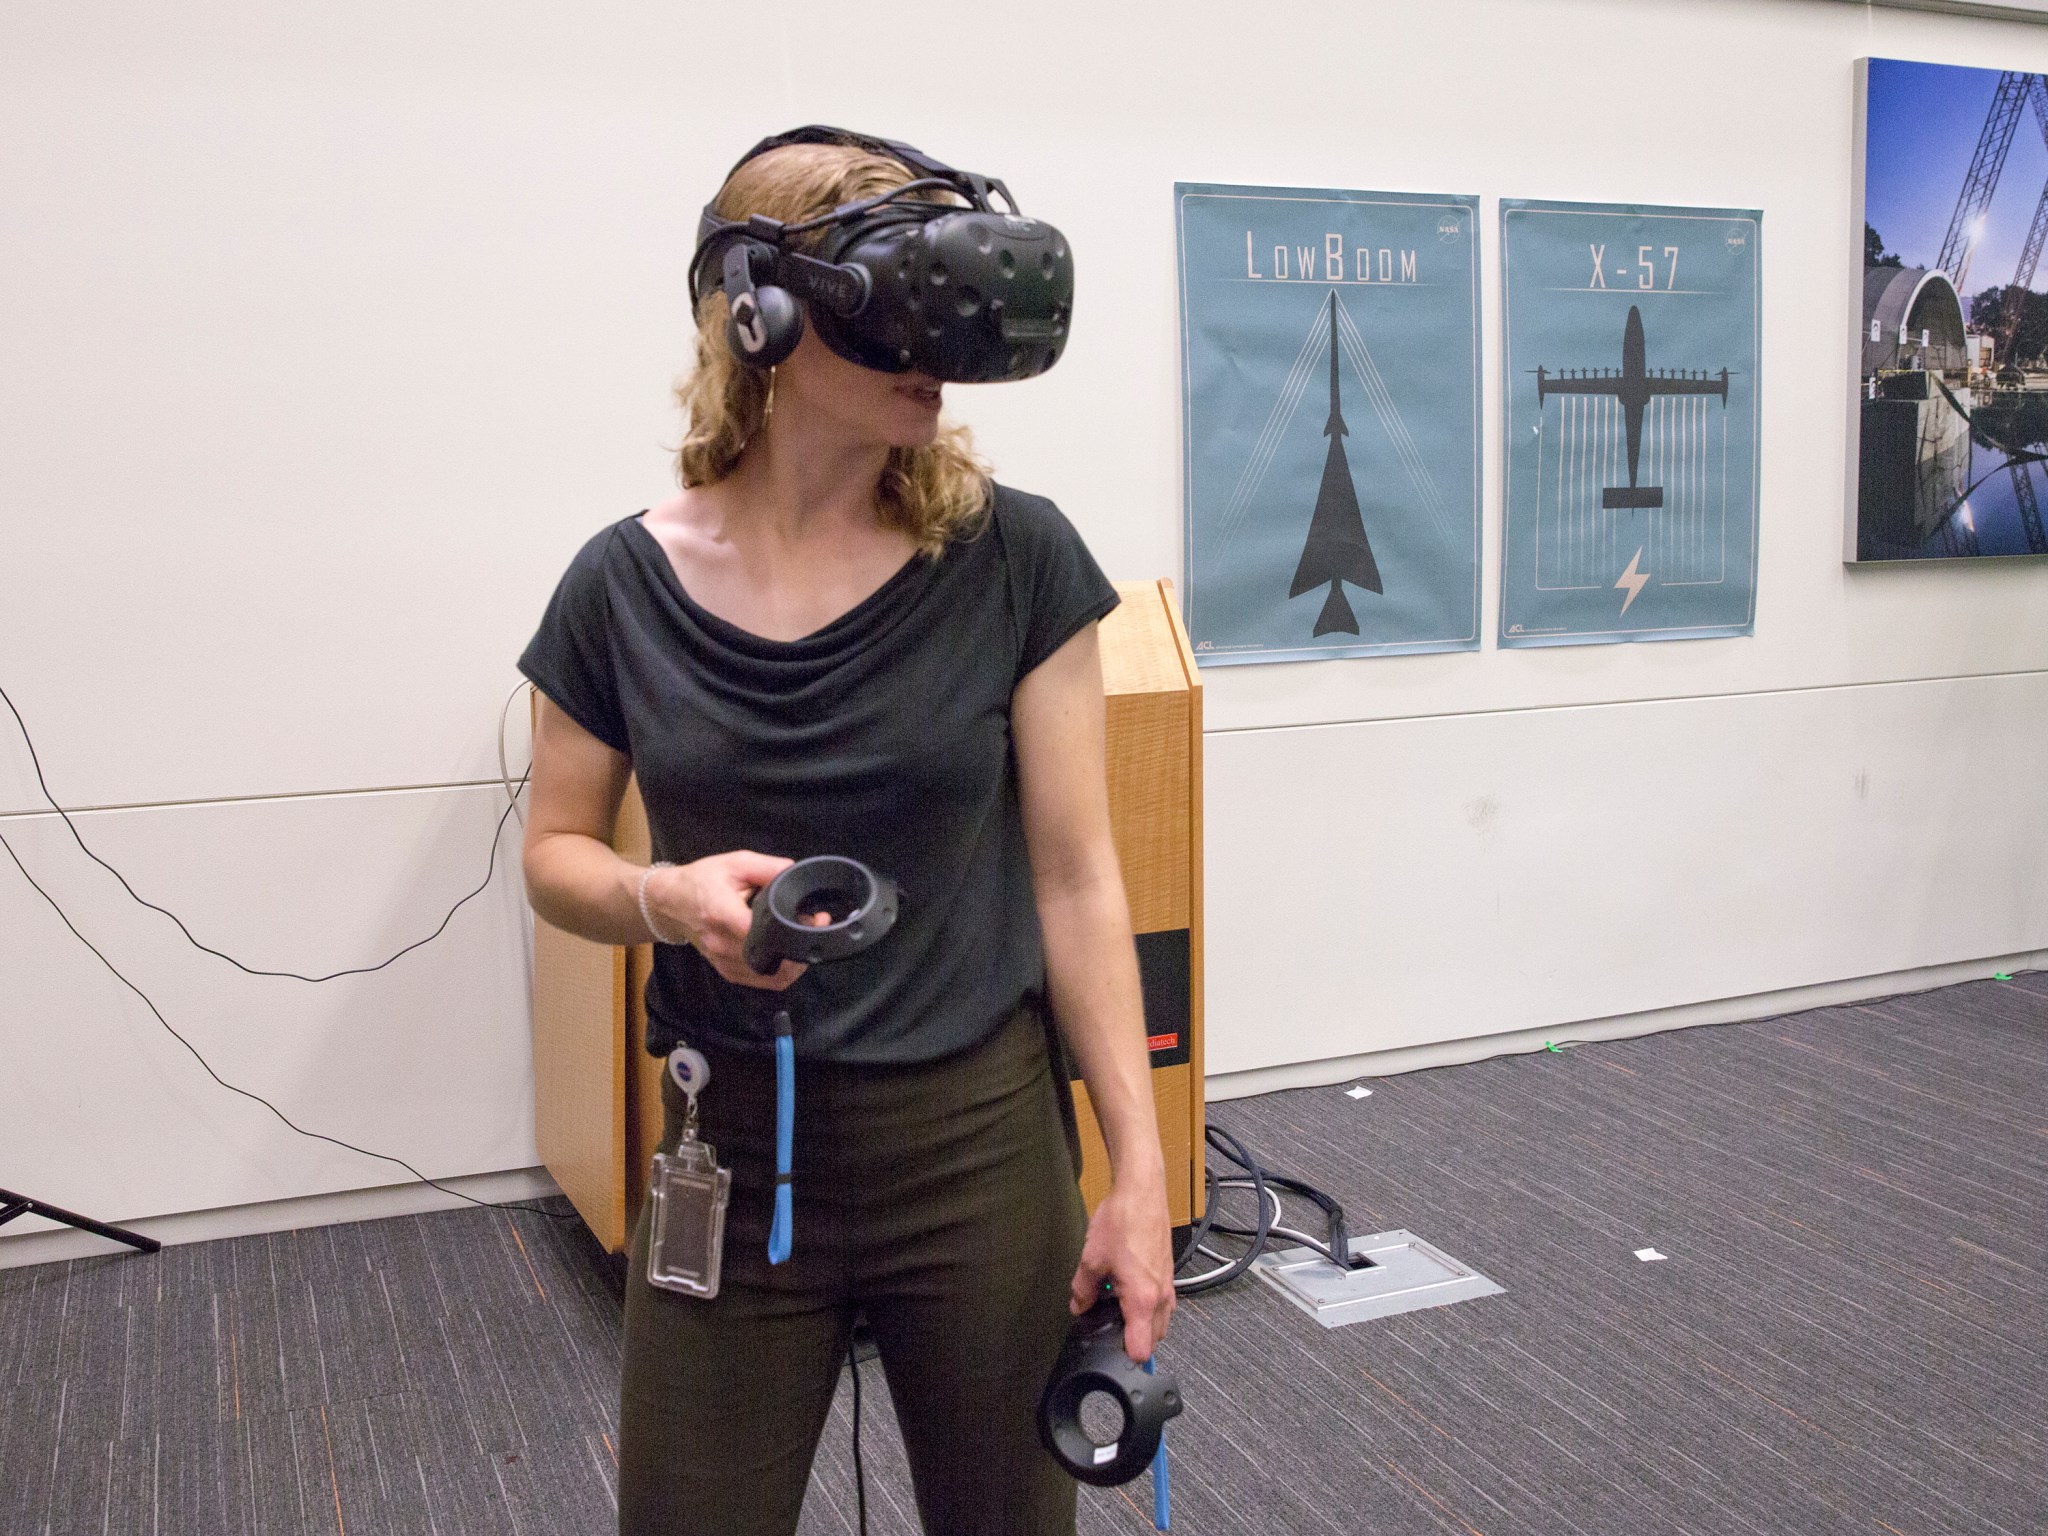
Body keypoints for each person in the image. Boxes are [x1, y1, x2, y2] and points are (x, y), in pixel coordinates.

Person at [516, 129, 1174, 1536]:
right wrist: (666, 898)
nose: (941, 351)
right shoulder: (620, 584)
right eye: (902, 303)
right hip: (728, 1145)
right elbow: (554, 858)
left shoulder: (1018, 559)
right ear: (760, 314)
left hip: (981, 1154)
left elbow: (1076, 878)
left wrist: (1139, 1169)